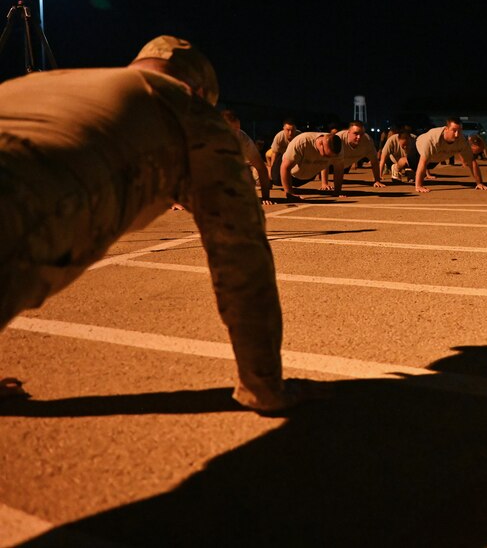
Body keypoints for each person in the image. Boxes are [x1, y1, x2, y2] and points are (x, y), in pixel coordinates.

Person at [0, 35, 321, 412]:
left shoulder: (46, 81)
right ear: (201, 90)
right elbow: (241, 257)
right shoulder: (189, 112)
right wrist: (264, 383)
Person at [414, 117, 487, 192]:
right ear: (446, 129)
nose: (457, 134)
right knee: (410, 164)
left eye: (459, 131)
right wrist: (419, 186)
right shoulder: (432, 139)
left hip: (434, 159)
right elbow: (423, 162)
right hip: (417, 151)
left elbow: (471, 162)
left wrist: (479, 183)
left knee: (429, 164)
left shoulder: (462, 141)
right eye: (454, 130)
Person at [220, 109, 273, 204]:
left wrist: (265, 197)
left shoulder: (244, 139)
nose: (236, 134)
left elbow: (261, 168)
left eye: (237, 129)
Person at [279, 130, 343, 200]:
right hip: (287, 172)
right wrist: (289, 193)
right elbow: (285, 167)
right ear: (320, 143)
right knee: (274, 177)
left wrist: (337, 191)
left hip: (307, 176)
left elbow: (338, 170)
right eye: (326, 155)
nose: (327, 158)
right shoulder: (302, 142)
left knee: (298, 182)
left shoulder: (337, 150)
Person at [330, 120, 384, 194]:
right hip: (331, 163)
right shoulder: (338, 139)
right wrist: (324, 183)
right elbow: (324, 160)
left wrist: (377, 181)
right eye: (355, 133)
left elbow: (374, 162)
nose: (359, 137)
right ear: (348, 132)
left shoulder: (367, 141)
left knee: (343, 169)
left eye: (361, 134)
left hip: (346, 163)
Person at [266, 118, 299, 185]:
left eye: (292, 130)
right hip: (278, 154)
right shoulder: (279, 136)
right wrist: (273, 170)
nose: (290, 133)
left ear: (296, 129)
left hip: (292, 156)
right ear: (283, 128)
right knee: (273, 172)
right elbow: (274, 153)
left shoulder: (299, 137)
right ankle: (268, 175)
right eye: (288, 130)